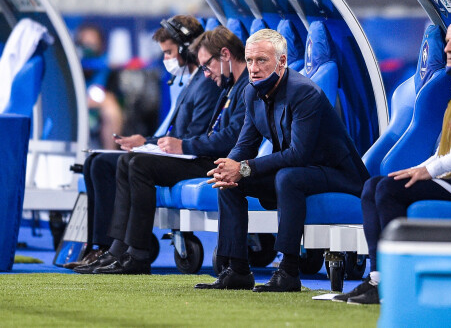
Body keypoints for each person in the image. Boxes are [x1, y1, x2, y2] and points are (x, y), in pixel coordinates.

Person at [335, 16, 451, 305]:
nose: (448, 49)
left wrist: (430, 169)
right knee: (373, 187)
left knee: (388, 190)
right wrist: (424, 167)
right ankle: (377, 279)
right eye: (447, 42)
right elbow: (449, 146)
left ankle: (395, 283)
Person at [195, 29, 369, 291]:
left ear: (282, 61)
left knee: (288, 176)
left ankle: (288, 272)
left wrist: (243, 168)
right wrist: (227, 168)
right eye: (250, 60)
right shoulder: (251, 93)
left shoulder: (305, 93)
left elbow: (300, 154)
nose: (253, 68)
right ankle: (237, 269)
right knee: (231, 182)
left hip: (338, 174)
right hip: (301, 171)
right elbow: (245, 144)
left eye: (261, 60)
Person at [75, 26, 249, 275]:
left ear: (224, 54)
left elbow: (228, 138)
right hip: (205, 155)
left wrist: (183, 145)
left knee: (138, 165)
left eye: (207, 65)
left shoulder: (238, 87)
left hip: (216, 161)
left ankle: (137, 255)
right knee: (129, 161)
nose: (207, 73)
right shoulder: (228, 86)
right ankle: (118, 250)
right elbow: (212, 134)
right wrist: (155, 142)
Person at [76, 24, 123, 150]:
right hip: (73, 108)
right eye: (84, 44)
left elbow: (112, 97)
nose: (88, 49)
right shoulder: (71, 65)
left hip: (96, 111)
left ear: (101, 45)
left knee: (111, 110)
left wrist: (93, 102)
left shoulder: (107, 67)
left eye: (92, 44)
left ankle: (108, 154)